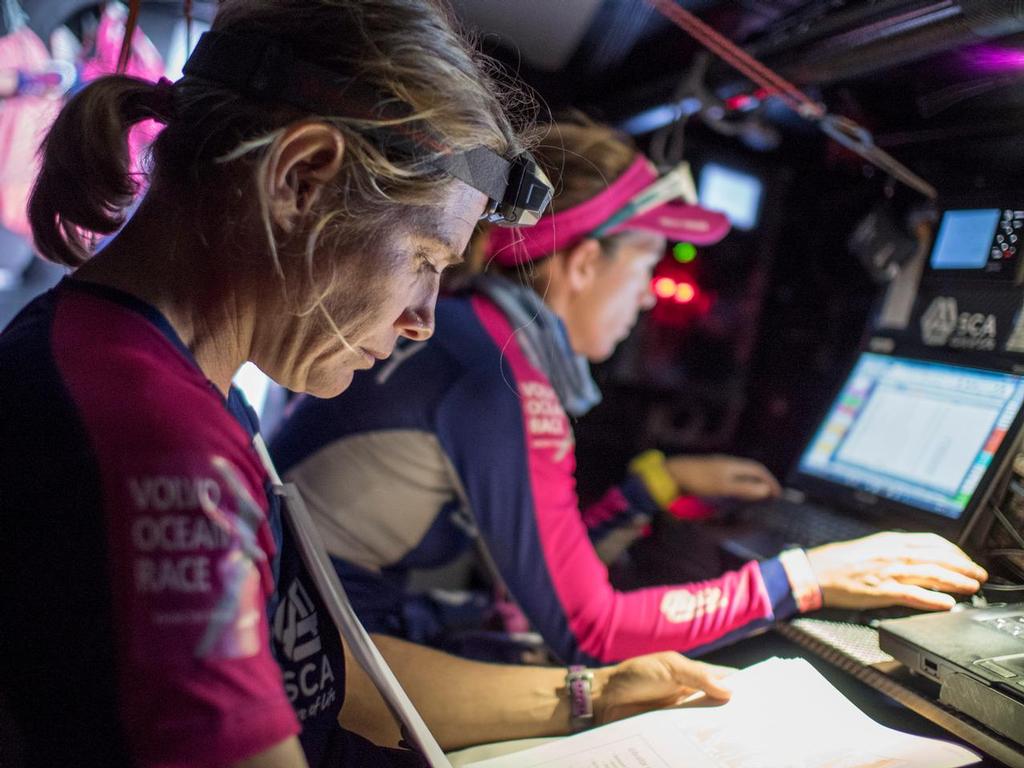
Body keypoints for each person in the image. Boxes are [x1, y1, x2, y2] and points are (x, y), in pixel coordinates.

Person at [0, 6, 736, 768]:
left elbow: (311, 676)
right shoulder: (160, 446)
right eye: (424, 258)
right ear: (301, 180)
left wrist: (589, 696)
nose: (423, 320)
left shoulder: (165, 378)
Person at [269, 117, 989, 667]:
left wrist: (655, 484)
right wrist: (807, 576)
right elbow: (591, 630)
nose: (647, 297)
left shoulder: (473, 335)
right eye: (646, 262)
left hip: (324, 633)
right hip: (335, 655)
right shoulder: (495, 374)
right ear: (584, 264)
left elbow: (547, 565)